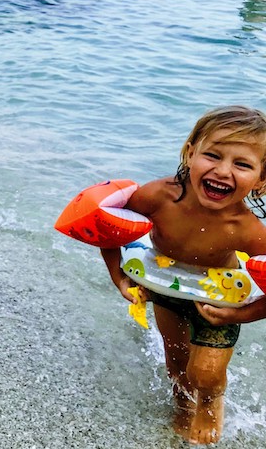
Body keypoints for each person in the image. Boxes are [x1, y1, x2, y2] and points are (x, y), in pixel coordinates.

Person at [101, 106, 266, 445]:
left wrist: (240, 314)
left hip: (217, 300)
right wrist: (119, 277)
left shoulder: (248, 231)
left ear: (262, 179)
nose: (222, 171)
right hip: (164, 285)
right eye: (213, 155)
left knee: (205, 372)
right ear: (191, 153)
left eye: (242, 164)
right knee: (177, 363)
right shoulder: (158, 197)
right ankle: (182, 404)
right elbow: (108, 228)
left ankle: (208, 402)